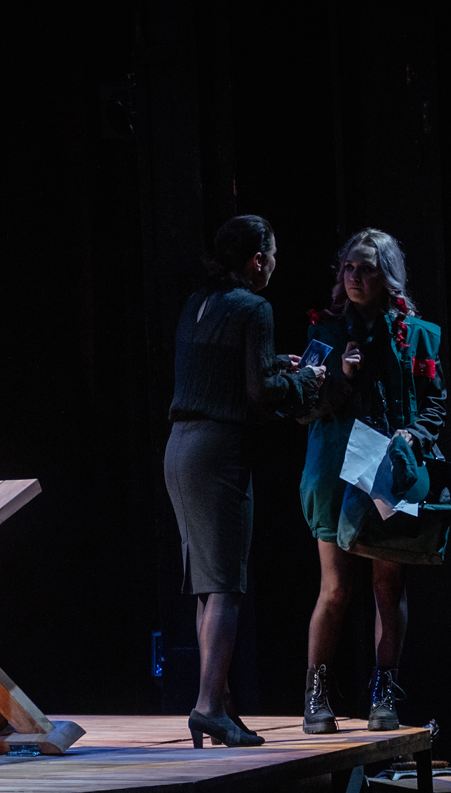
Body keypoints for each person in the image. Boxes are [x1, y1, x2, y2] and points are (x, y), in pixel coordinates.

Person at [165, 215, 322, 748]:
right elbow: (260, 393)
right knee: (227, 585)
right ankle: (209, 707)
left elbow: (221, 367)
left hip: (179, 447)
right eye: (272, 256)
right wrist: (304, 380)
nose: (273, 265)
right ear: (258, 260)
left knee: (206, 585)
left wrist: (275, 362)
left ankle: (218, 703)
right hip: (217, 450)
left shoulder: (198, 301)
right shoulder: (255, 307)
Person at [299, 228, 445, 733]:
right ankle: (316, 696)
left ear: (388, 276)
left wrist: (414, 435)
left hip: (386, 469)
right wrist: (341, 376)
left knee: (388, 585)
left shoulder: (416, 334)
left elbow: (435, 403)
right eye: (349, 268)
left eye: (366, 269)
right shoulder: (325, 332)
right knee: (336, 588)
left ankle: (385, 695)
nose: (355, 277)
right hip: (334, 469)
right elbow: (303, 406)